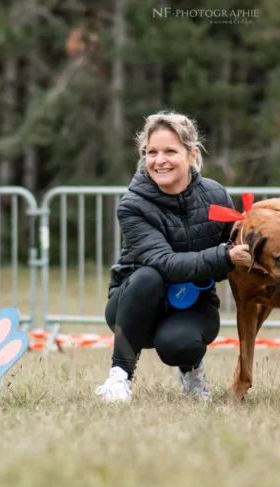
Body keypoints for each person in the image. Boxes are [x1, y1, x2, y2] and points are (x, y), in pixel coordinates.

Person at [94, 110, 253, 402]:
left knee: (179, 345)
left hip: (194, 302)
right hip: (132, 304)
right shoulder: (132, 205)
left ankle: (192, 373)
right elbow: (164, 264)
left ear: (192, 155)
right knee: (147, 276)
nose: (159, 160)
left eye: (170, 151)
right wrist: (225, 257)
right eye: (151, 152)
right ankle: (119, 377)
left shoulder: (216, 194)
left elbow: (232, 255)